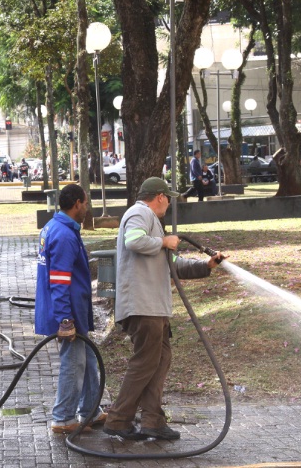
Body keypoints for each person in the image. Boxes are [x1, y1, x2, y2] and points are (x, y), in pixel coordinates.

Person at [103, 177, 226, 441]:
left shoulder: (152, 222)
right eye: (168, 197)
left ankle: (152, 421)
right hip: (143, 305)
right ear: (159, 196)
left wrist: (206, 266)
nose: (169, 203)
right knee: (145, 362)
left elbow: (172, 264)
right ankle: (118, 420)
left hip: (154, 306)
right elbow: (133, 242)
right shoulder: (139, 212)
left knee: (160, 360)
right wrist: (162, 242)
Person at [35, 184, 107, 434]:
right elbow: (59, 281)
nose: (86, 208)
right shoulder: (64, 235)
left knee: (87, 359)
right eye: (85, 203)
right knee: (73, 363)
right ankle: (63, 417)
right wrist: (65, 318)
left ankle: (90, 410)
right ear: (77, 203)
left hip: (73, 309)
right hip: (68, 311)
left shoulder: (55, 227)